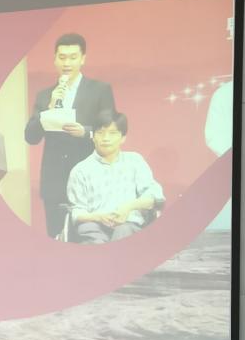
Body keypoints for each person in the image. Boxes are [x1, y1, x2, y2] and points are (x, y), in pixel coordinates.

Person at [24, 33, 115, 237]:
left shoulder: (100, 90)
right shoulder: (45, 95)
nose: (67, 63)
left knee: (92, 237)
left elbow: (110, 130)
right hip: (54, 181)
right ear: (55, 59)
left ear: (83, 59)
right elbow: (31, 137)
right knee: (57, 238)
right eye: (62, 57)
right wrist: (48, 108)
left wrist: (86, 132)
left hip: (90, 177)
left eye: (73, 57)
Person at [67, 112, 164, 243]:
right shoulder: (80, 170)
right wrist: (98, 217)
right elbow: (77, 211)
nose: (106, 138)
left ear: (123, 138)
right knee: (94, 240)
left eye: (112, 133)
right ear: (93, 137)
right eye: (100, 133)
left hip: (128, 225)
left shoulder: (134, 161)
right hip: (93, 226)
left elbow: (155, 196)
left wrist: (129, 207)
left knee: (123, 232)